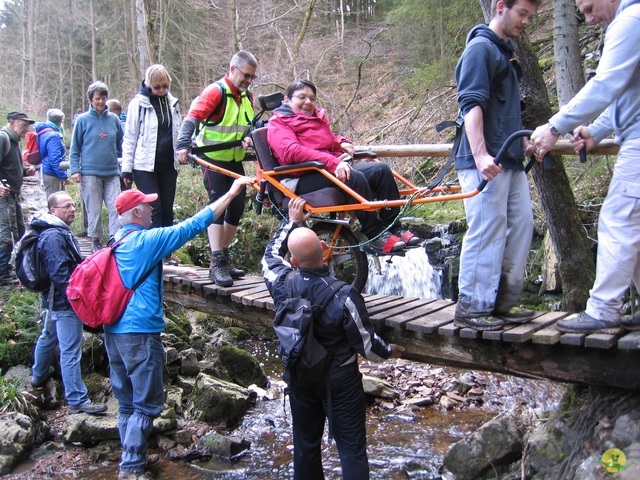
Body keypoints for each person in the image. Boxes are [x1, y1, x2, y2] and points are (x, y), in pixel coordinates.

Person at [106, 176, 253, 480]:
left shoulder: (117, 240)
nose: (151, 209)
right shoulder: (147, 240)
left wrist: (175, 268)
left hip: (114, 331)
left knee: (126, 403)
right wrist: (232, 192)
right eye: (146, 206)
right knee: (147, 405)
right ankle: (130, 467)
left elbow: (134, 268)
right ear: (136, 213)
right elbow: (194, 224)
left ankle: (130, 455)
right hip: (139, 334)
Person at [262, 197, 405, 480]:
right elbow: (366, 344)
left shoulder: (281, 282)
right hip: (339, 381)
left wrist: (292, 222)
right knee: (351, 449)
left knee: (305, 446)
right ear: (325, 250)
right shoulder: (344, 294)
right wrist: (390, 351)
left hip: (299, 375)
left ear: (293, 262)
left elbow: (269, 256)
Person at [529, 0, 640, 334]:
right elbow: (625, 96)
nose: (589, 19)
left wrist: (554, 127)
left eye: (590, 8)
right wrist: (596, 130)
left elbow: (605, 84)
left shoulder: (630, 20)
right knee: (633, 228)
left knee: (617, 221)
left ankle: (604, 310)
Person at [452, 0, 541, 331]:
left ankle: (500, 304)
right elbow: (471, 105)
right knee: (487, 227)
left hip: (511, 157)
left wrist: (527, 143)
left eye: (531, 17)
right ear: (501, 7)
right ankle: (472, 307)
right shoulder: (480, 49)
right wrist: (480, 156)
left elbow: (505, 110)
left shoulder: (506, 52)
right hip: (486, 159)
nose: (527, 22)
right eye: (523, 14)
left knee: (521, 226)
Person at [267, 79, 420, 255]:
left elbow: (329, 140)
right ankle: (375, 234)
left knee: (381, 170)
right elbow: (290, 152)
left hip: (323, 168)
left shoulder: (315, 119)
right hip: (300, 177)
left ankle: (394, 227)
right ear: (287, 100)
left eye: (312, 98)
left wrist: (342, 142)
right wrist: (333, 162)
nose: (308, 102)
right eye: (302, 97)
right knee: (351, 176)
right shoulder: (278, 122)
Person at [176, 51, 257, 287]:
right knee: (218, 204)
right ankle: (216, 261)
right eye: (245, 76)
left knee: (238, 206)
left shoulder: (247, 96)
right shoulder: (216, 91)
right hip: (211, 158)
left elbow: (248, 126)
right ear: (233, 69)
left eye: (252, 77)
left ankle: (224, 255)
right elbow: (192, 117)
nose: (248, 81)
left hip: (234, 157)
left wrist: (249, 138)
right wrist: (182, 145)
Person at [30, 191, 108, 415]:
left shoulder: (52, 231)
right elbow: (61, 273)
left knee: (48, 337)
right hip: (65, 301)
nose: (72, 209)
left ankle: (38, 376)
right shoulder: (54, 236)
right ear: (53, 211)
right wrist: (79, 298)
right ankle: (77, 400)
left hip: (53, 299)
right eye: (66, 206)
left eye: (73, 205)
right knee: (70, 350)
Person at [121, 65, 183, 235]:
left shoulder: (173, 103)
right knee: (153, 208)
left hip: (169, 164)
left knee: (167, 209)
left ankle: (167, 251)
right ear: (149, 85)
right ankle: (154, 249)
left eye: (165, 86)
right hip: (144, 166)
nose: (162, 90)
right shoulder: (138, 104)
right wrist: (126, 170)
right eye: (157, 87)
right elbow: (130, 137)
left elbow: (178, 130)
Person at [69, 81, 124, 253]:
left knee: (117, 206)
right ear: (91, 99)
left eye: (104, 98)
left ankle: (115, 238)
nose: (101, 102)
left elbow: (122, 144)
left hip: (112, 171)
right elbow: (75, 148)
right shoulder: (82, 120)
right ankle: (95, 240)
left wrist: (127, 164)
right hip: (89, 172)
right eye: (98, 98)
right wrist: (75, 169)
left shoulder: (114, 119)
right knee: (94, 209)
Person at [0, 111, 37, 285]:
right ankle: (2, 273)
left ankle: (7, 268)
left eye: (27, 125)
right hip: (4, 196)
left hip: (14, 195)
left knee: (20, 229)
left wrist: (25, 172)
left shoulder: (14, 141)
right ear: (11, 122)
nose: (26, 128)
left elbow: (10, 167)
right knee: (6, 233)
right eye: (23, 124)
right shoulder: (3, 138)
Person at [37, 109, 69, 199]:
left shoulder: (43, 132)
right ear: (60, 121)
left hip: (47, 171)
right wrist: (64, 176)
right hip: (53, 174)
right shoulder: (53, 136)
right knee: (55, 203)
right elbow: (55, 159)